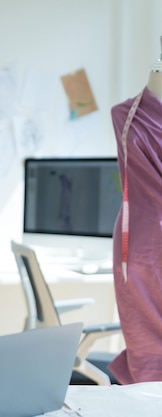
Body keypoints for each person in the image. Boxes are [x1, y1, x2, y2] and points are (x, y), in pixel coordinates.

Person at [109, 61, 162, 384]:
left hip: (137, 240)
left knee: (146, 351)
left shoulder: (126, 116)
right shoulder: (123, 114)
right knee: (145, 349)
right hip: (139, 247)